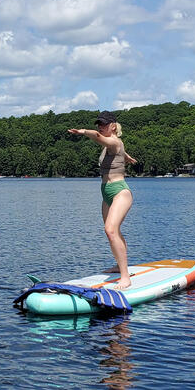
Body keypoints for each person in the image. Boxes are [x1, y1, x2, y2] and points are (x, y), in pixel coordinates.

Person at [68, 111, 137, 289]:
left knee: (110, 230)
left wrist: (83, 131)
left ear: (113, 126)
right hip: (106, 192)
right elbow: (118, 150)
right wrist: (126, 157)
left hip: (120, 192)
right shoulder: (112, 146)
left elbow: (100, 137)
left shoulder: (112, 141)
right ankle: (120, 265)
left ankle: (125, 277)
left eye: (104, 124)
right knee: (113, 232)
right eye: (99, 124)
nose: (100, 127)